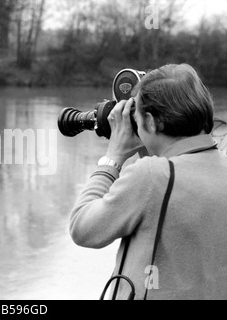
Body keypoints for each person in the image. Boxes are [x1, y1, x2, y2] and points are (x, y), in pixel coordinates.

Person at [69, 64, 227, 300]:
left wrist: (112, 158)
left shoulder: (152, 176)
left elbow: (83, 228)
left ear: (151, 122)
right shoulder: (221, 166)